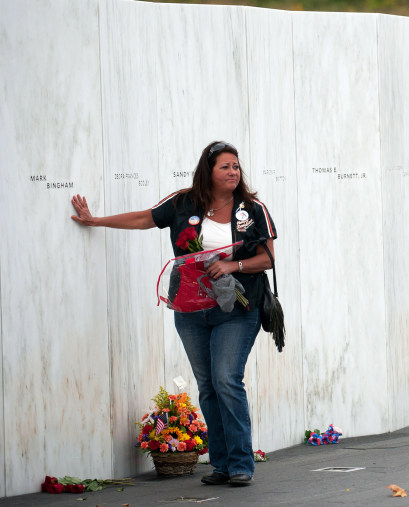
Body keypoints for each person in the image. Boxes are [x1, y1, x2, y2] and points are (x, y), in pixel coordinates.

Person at [70, 141, 277, 487]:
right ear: (208, 171)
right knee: (208, 386)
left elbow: (268, 259)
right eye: (225, 166)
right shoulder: (183, 202)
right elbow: (143, 219)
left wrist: (232, 265)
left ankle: (242, 464)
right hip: (191, 309)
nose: (232, 172)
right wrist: (95, 221)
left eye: (236, 167)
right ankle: (222, 465)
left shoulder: (252, 208)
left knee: (227, 379)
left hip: (238, 309)